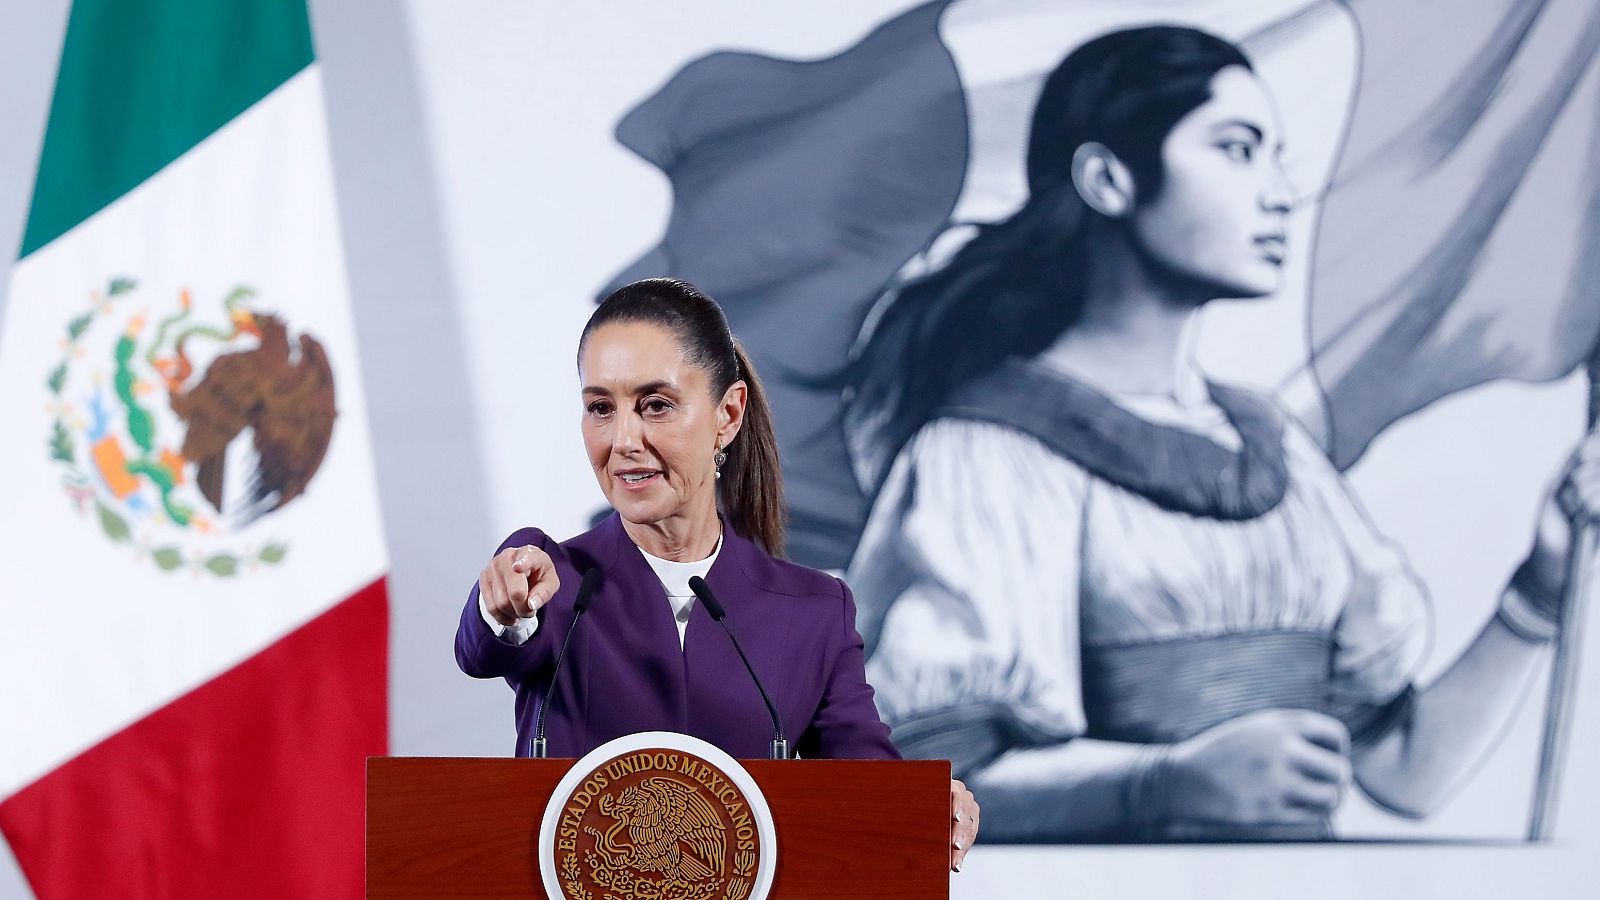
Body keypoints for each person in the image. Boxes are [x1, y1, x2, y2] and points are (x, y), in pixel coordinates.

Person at [843, 25, 1599, 842]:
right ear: (1107, 178)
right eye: (1238, 150)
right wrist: (1161, 785)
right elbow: (909, 801)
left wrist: (1544, 584)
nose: (1279, 192)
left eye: (1277, 157)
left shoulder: (1275, 450)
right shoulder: (986, 456)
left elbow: (1404, 773)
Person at [454, 277, 980, 869]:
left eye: (655, 405)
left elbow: (866, 779)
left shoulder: (812, 610)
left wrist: (923, 805)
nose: (623, 439)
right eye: (601, 408)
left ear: (727, 415)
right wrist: (502, 609)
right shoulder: (554, 580)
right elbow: (482, 649)